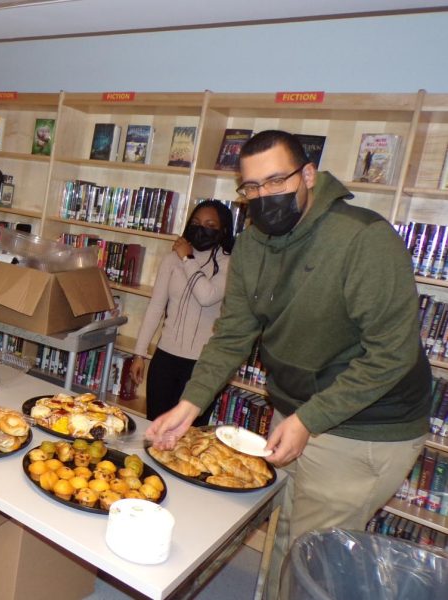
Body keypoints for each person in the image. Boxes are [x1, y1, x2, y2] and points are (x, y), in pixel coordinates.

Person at [146, 130, 432, 598]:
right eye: (251, 187)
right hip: (298, 410)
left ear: (308, 175)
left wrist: (309, 419)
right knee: (284, 529)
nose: (263, 197)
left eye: (276, 181)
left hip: (364, 426)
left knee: (313, 561)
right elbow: (234, 333)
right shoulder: (255, 244)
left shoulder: (362, 238)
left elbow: (392, 354)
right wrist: (189, 404)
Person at [130, 199, 235, 424]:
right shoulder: (171, 260)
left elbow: (206, 296)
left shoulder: (229, 265)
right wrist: (139, 353)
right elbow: (156, 306)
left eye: (210, 224)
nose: (201, 228)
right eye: (195, 222)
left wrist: (187, 258)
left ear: (223, 230)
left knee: (187, 436)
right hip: (165, 359)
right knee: (155, 426)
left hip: (201, 366)